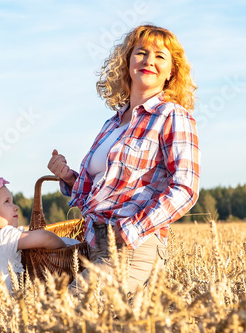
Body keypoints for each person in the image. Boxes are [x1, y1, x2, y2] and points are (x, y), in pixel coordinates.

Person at [47, 24, 200, 294]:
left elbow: (185, 188)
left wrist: (130, 230)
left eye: (160, 56)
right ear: (127, 62)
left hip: (133, 247)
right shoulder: (112, 124)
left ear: (171, 72)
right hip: (95, 245)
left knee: (65, 313)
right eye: (141, 53)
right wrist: (69, 178)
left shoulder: (172, 115)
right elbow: (104, 190)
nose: (149, 61)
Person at [0, 176, 69, 292]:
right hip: (3, 303)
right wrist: (64, 250)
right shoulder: (4, 236)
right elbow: (46, 237)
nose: (16, 207)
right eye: (7, 202)